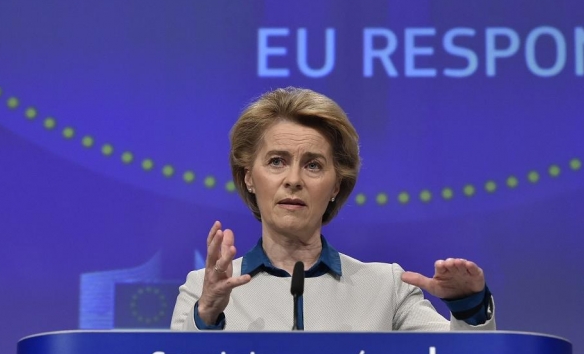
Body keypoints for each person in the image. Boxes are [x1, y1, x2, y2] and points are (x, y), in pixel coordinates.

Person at [171, 87, 495, 331]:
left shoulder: (387, 288)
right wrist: (208, 313)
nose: (293, 180)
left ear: (336, 186)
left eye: (313, 165)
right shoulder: (203, 289)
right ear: (249, 178)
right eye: (276, 161)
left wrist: (469, 309)